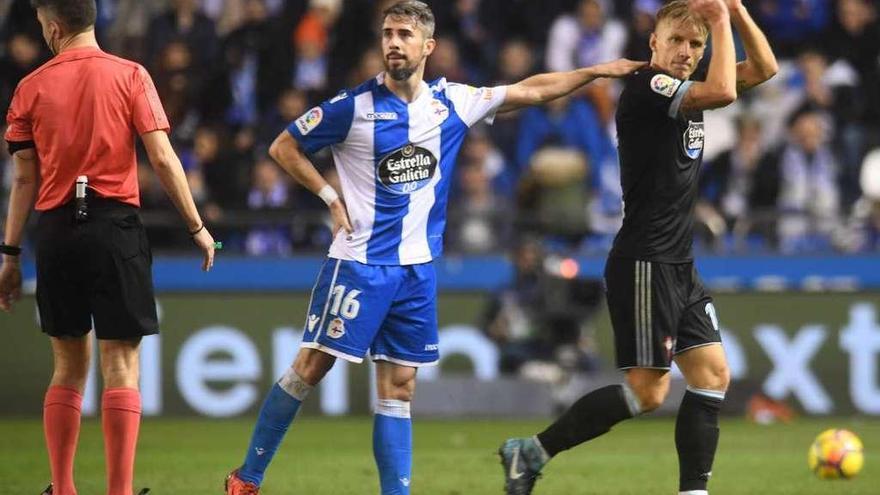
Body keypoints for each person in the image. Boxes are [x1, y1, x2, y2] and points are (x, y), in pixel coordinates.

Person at [222, 2, 644, 494]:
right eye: (387, 33)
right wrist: (330, 197)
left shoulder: (453, 102)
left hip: (417, 270)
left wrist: (594, 71)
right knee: (311, 367)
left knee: (399, 388)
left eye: (404, 34)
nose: (393, 42)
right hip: (360, 264)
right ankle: (246, 479)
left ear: (429, 46)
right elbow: (283, 147)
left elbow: (529, 89)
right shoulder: (351, 107)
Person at [498, 1, 777, 494]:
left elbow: (765, 68)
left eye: (696, 45)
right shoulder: (650, 87)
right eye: (676, 41)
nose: (685, 52)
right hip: (645, 260)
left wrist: (734, 11)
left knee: (712, 374)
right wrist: (716, 21)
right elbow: (726, 90)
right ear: (653, 43)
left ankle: (693, 492)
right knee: (648, 393)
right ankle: (533, 451)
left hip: (678, 261)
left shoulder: (689, 90)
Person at [0, 1, 216, 494]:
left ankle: (63, 487)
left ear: (54, 27)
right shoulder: (131, 75)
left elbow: (23, 177)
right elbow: (162, 156)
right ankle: (118, 491)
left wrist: (10, 255)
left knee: (68, 366)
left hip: (55, 232)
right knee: (120, 362)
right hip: (114, 227)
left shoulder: (29, 87)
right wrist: (196, 225)